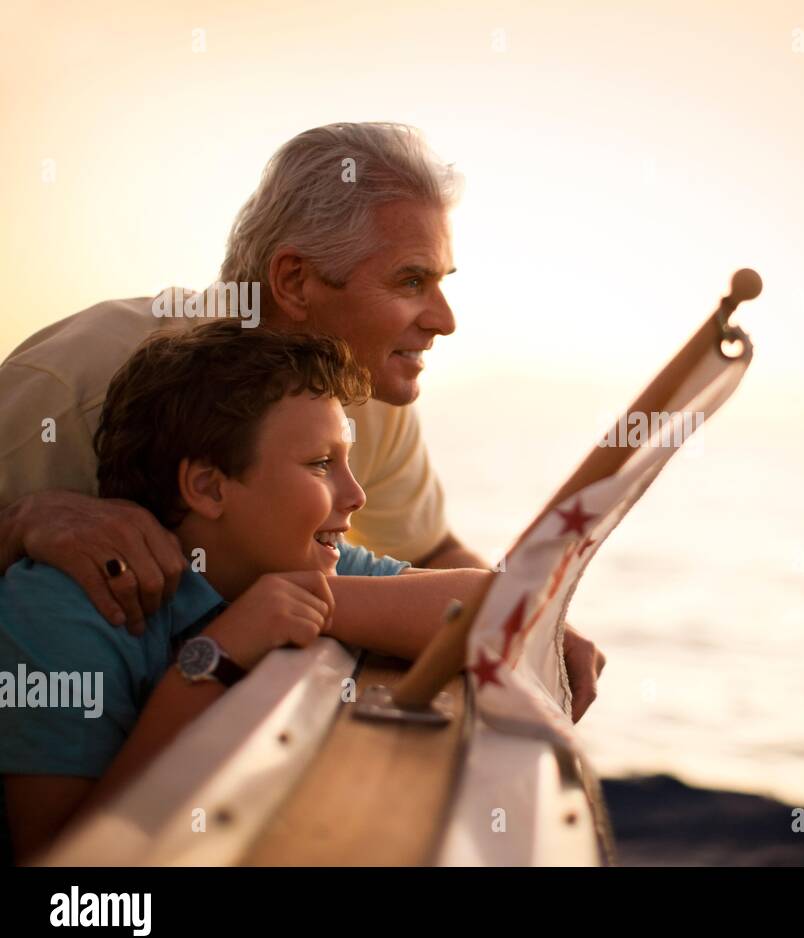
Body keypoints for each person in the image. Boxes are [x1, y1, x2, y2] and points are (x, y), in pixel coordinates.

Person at [0, 122, 604, 720]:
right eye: (411, 281)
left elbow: (429, 548)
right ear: (294, 281)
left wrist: (539, 622)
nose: (444, 320)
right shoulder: (73, 382)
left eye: (441, 282)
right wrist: (24, 519)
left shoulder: (358, 388)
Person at [0, 323, 494, 863]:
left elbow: (490, 604)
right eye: (321, 465)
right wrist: (217, 657)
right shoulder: (65, 608)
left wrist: (310, 602)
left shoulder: (289, 562)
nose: (356, 495)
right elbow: (62, 867)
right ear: (210, 488)